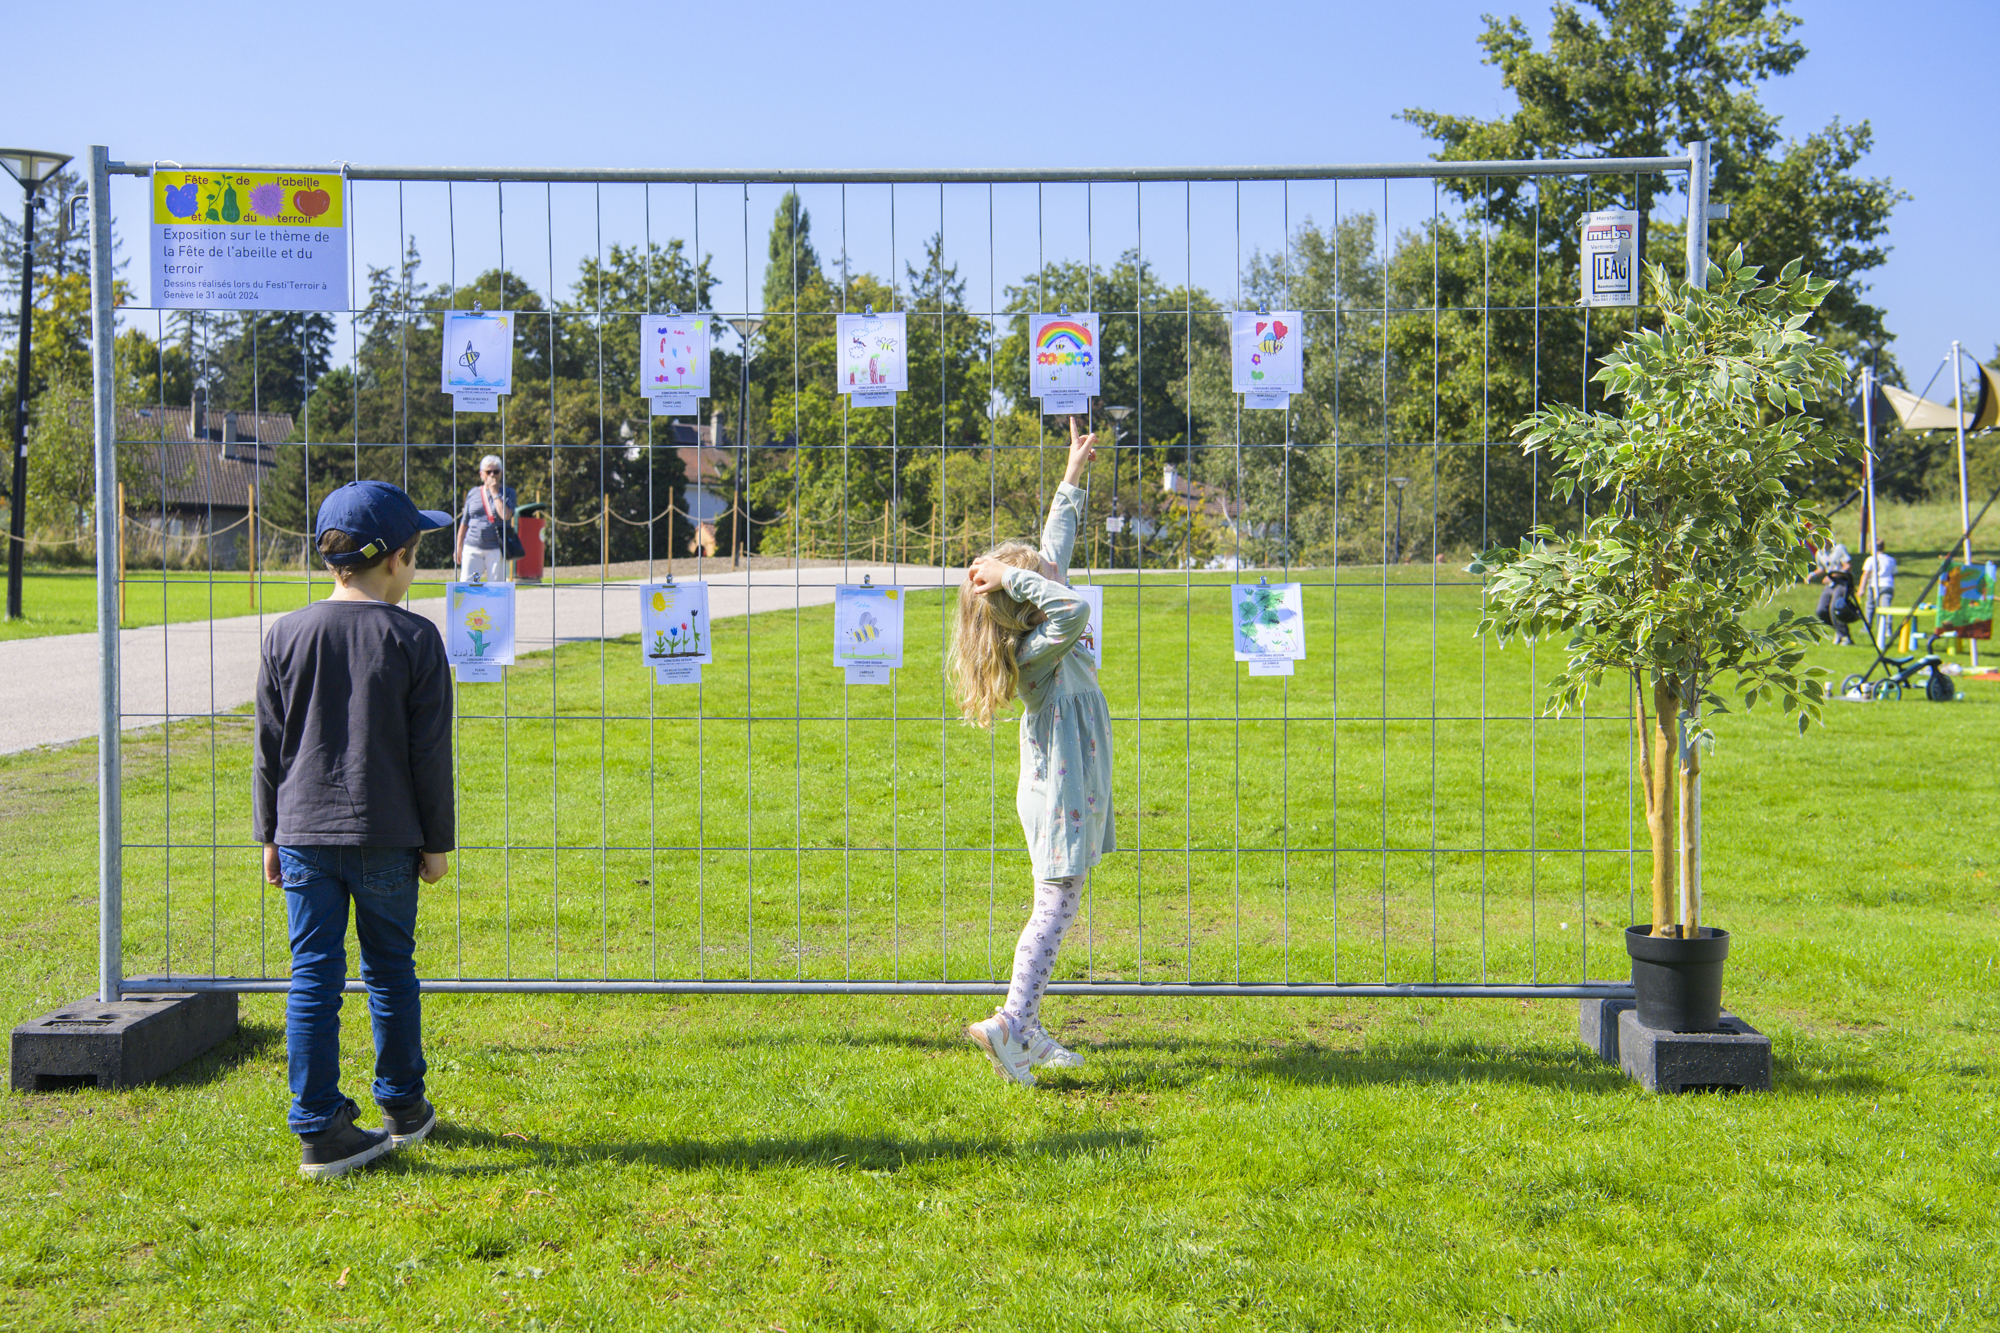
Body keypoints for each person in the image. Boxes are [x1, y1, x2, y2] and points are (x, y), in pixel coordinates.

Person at [256, 480, 456, 1179]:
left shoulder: (283, 633)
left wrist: (270, 836)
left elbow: (270, 746)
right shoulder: (415, 638)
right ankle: (402, 1104)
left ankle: (318, 1126)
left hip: (304, 833)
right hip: (387, 836)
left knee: (312, 975)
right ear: (397, 559)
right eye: (417, 555)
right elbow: (429, 754)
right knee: (390, 970)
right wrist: (436, 844)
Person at [950, 419, 1112, 1087]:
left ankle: (1030, 1027)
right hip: (1059, 797)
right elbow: (1070, 607)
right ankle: (1013, 1023)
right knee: (1055, 905)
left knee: (1058, 901)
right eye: (1039, 574)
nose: (1051, 566)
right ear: (1027, 598)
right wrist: (1017, 579)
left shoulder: (1041, 618)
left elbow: (1055, 548)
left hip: (1070, 790)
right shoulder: (1039, 649)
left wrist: (1072, 475)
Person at [455, 455, 516, 583]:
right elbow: (464, 522)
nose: (492, 475)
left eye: (496, 471)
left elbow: (506, 515)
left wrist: (495, 493)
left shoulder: (508, 493)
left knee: (495, 589)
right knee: (471, 585)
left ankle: (492, 605)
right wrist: (459, 546)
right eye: (489, 472)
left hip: (495, 550)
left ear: (501, 473)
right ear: (481, 474)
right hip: (473, 548)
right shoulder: (473, 493)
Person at [1810, 554, 1859, 646]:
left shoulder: (1838, 549)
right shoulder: (1820, 553)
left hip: (1842, 582)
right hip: (1830, 584)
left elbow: (1848, 566)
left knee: (1834, 608)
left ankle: (1845, 637)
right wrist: (1812, 575)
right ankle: (1838, 630)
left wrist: (1833, 575)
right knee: (1821, 610)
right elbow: (1822, 568)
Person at [1862, 539, 1897, 620]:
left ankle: (1867, 626)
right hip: (1888, 585)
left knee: (1870, 606)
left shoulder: (1871, 559)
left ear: (1871, 548)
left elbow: (1865, 575)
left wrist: (1861, 589)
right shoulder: (1890, 559)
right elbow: (1893, 574)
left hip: (1873, 585)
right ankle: (1888, 629)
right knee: (1886, 607)